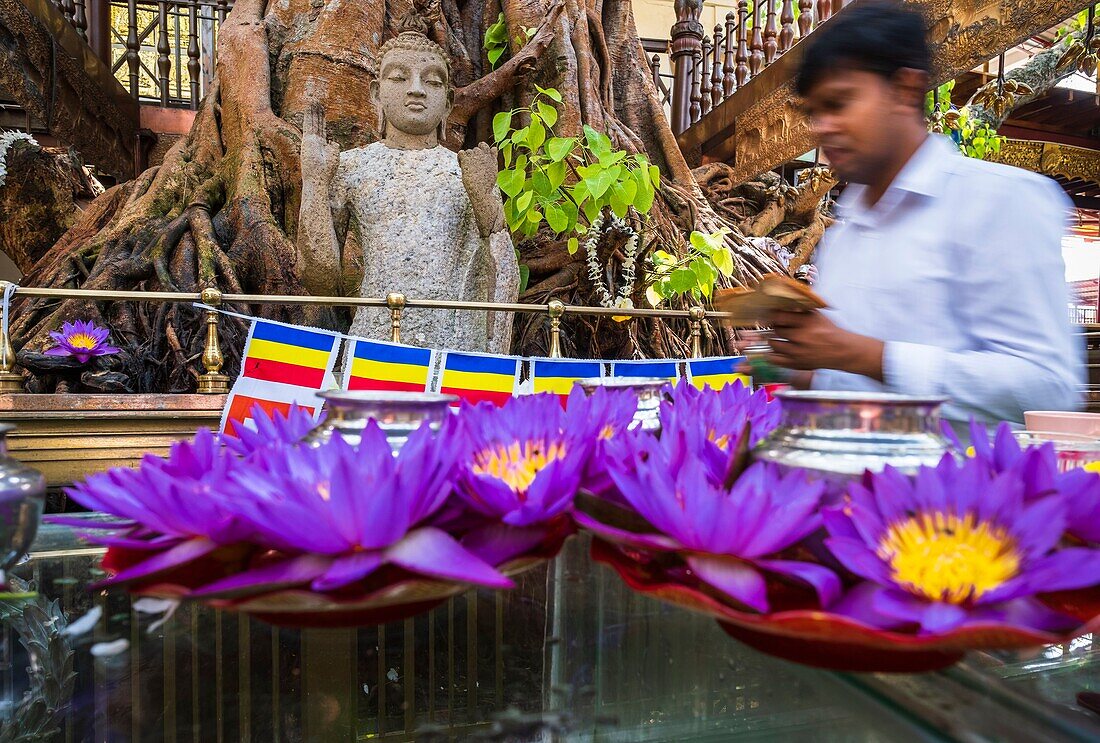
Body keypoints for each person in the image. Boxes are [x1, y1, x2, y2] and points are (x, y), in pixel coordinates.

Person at [763, 2, 1082, 425]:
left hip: (958, 489)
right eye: (814, 113)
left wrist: (863, 355)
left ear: (906, 90)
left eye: (839, 103)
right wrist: (806, 369)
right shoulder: (846, 231)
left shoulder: (1001, 201)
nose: (822, 127)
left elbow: (1048, 388)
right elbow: (861, 385)